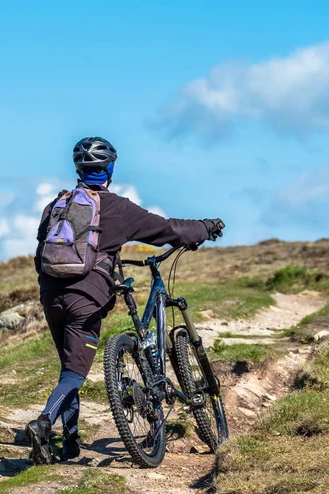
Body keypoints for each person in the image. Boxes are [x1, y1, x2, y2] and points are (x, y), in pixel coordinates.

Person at [26, 136, 225, 464]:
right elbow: (168, 230)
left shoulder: (56, 206)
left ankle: (70, 442)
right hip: (85, 298)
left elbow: (40, 253)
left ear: (79, 168)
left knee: (69, 367)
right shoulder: (116, 208)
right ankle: (44, 422)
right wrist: (205, 227)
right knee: (75, 373)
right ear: (110, 169)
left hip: (51, 294)